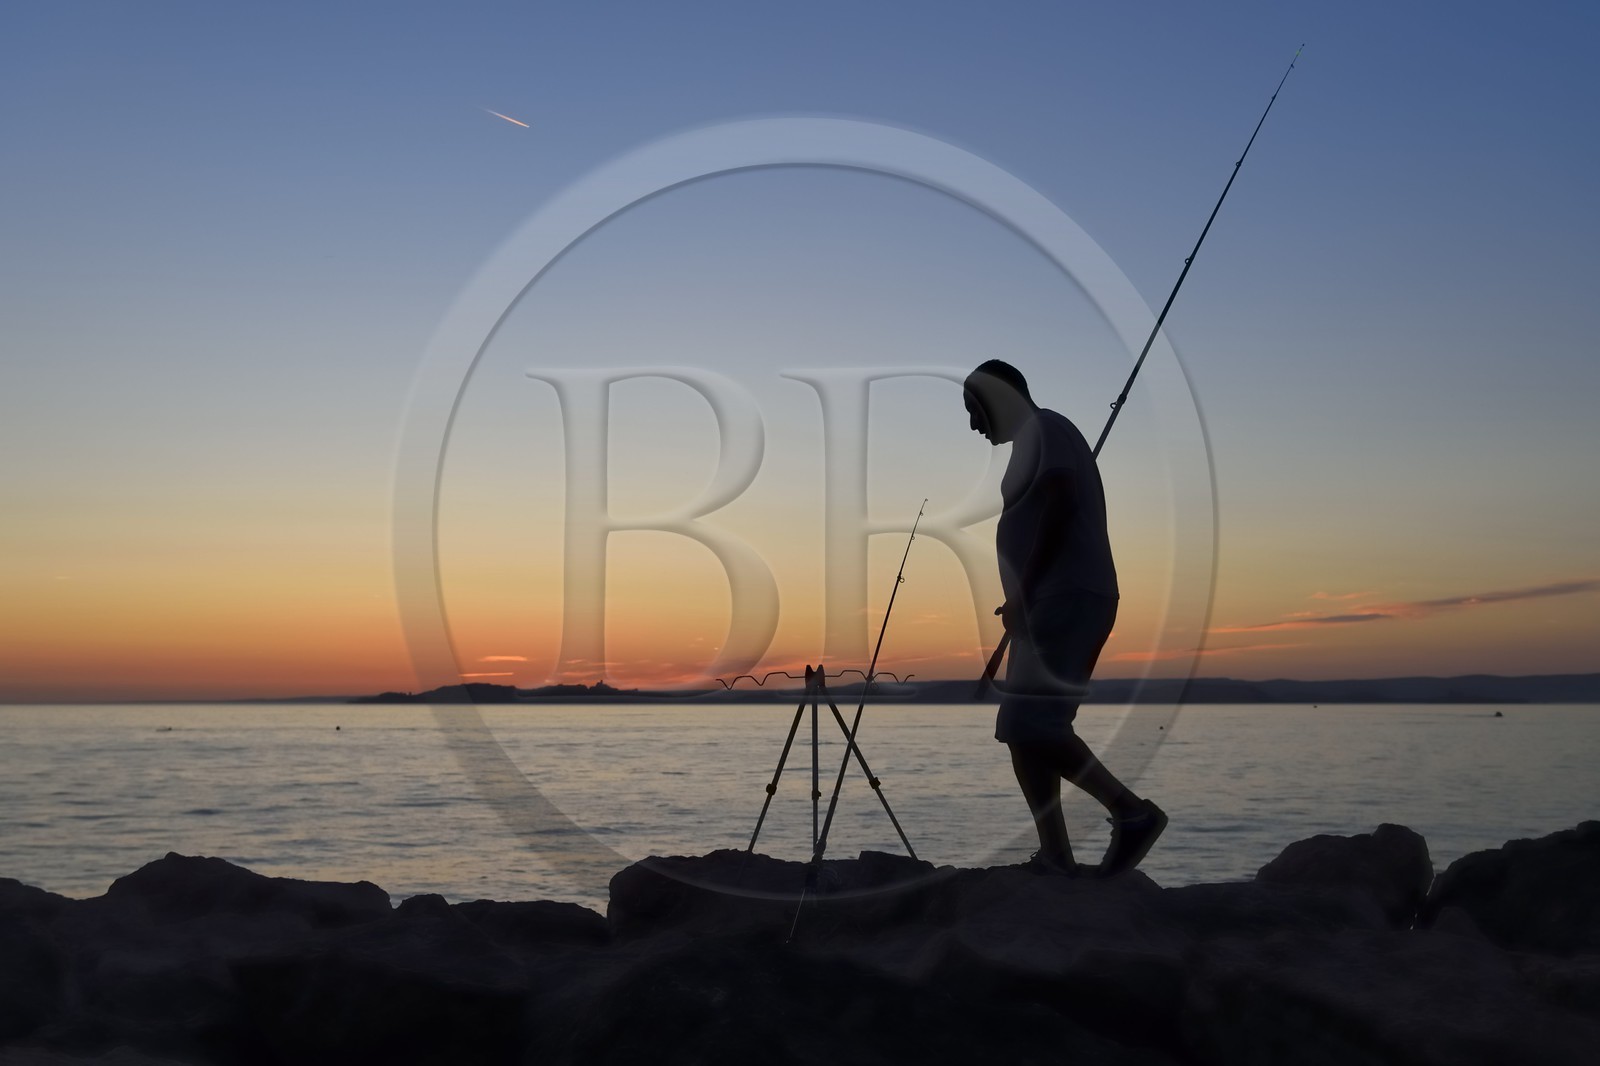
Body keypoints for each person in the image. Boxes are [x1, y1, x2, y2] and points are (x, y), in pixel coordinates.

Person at [963, 359, 1166, 877]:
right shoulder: (1037, 439)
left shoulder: (1044, 428)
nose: (973, 424)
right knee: (1024, 728)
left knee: (1028, 722)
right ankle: (1055, 853)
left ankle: (1131, 812)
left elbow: (1059, 506)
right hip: (1045, 605)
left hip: (1067, 597)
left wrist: (1025, 592)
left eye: (975, 410)